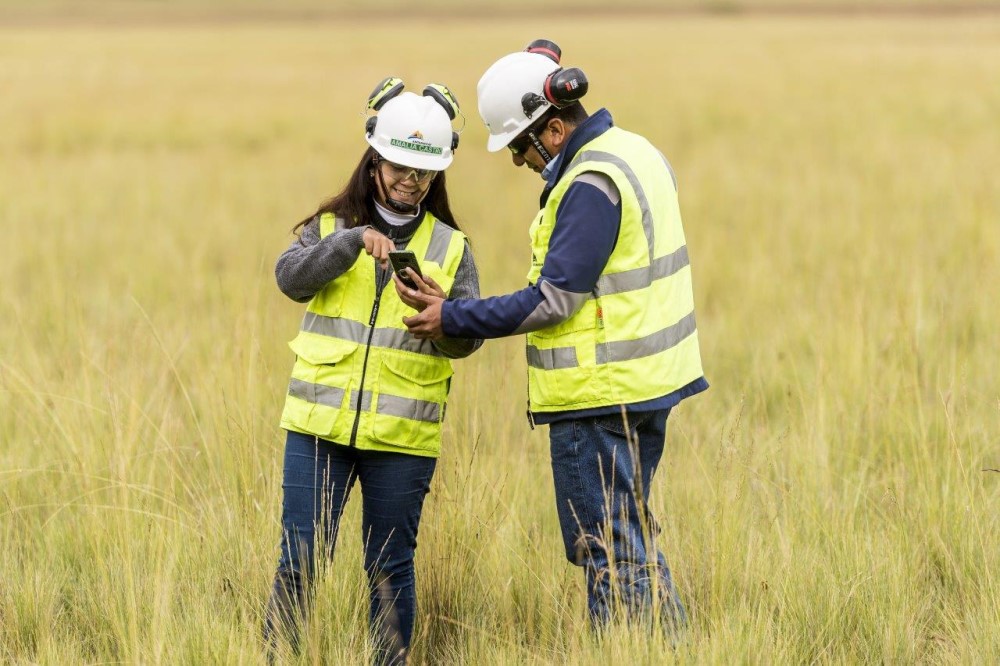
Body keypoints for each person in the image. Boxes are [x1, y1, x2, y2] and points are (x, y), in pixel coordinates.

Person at [395, 41, 708, 630]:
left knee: (607, 550)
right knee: (629, 539)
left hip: (599, 397)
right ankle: (672, 647)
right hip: (645, 387)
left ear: (556, 128)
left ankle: (633, 650)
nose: (520, 161)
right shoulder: (634, 152)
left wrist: (453, 317)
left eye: (519, 146)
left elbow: (555, 298)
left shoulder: (591, 182)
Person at [264, 78, 482, 664]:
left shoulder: (452, 246)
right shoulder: (333, 227)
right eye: (400, 167)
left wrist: (446, 317)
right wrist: (353, 243)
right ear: (374, 159)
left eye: (425, 172)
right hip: (317, 431)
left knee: (390, 569)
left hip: (403, 439)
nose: (412, 181)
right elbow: (290, 278)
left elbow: (468, 344)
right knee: (300, 558)